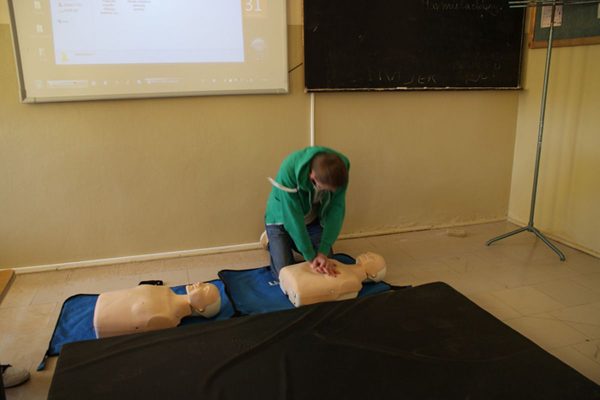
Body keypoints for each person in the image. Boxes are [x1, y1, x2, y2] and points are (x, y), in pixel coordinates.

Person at [264, 146, 350, 279]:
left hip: (311, 219)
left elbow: (337, 209)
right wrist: (309, 255)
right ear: (312, 176)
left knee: (327, 262)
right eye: (325, 189)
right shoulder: (289, 169)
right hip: (281, 218)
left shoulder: (341, 168)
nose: (329, 192)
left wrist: (323, 251)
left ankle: (293, 241)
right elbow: (293, 217)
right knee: (284, 273)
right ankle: (271, 240)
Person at [93, 282, 220, 338]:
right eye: (205, 284)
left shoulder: (167, 319)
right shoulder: (166, 291)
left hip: (102, 321)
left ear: (201, 308)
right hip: (105, 300)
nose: (200, 283)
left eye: (205, 290)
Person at [279, 252, 386, 307]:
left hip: (300, 288)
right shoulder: (339, 263)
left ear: (374, 274)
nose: (367, 254)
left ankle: (295, 288)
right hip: (294, 276)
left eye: (372, 258)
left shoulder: (353, 282)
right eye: (368, 254)